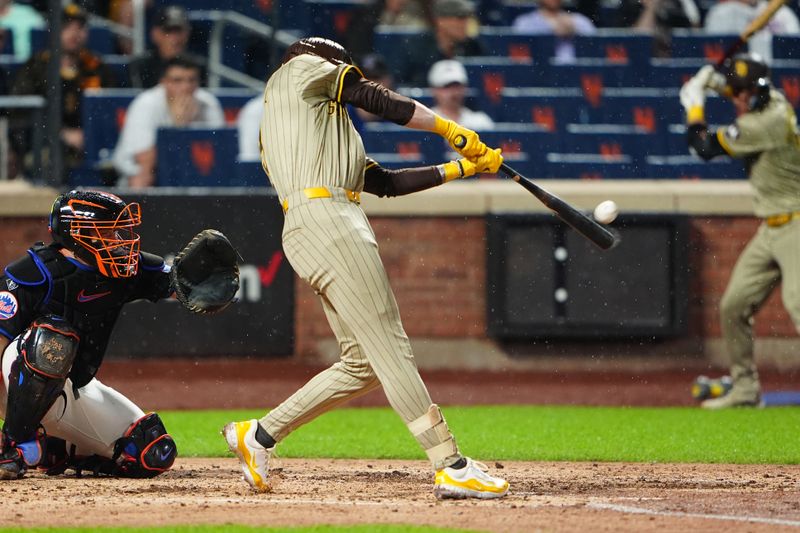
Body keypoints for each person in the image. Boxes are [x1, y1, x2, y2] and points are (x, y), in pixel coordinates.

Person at [222, 37, 508, 500]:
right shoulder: (300, 70)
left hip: (317, 223)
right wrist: (448, 128)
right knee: (392, 346)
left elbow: (386, 184)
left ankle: (258, 435)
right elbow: (373, 96)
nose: (349, 78)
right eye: (345, 69)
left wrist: (462, 169)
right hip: (329, 221)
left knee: (363, 363)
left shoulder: (314, 122)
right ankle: (449, 463)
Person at [0, 190, 178, 479]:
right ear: (79, 235)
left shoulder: (123, 269)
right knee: (52, 339)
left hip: (71, 388)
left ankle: (52, 448)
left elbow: (178, 284)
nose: (119, 242)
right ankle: (13, 445)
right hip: (12, 384)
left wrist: (201, 281)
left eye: (119, 232)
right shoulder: (31, 272)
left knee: (151, 452)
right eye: (108, 233)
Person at [679, 53, 800, 408]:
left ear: (757, 92)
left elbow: (702, 147)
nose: (739, 100)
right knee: (734, 306)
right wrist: (712, 80)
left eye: (743, 94)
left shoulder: (765, 124)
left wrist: (695, 105)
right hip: (771, 228)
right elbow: (743, 90)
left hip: (795, 224)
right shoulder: (773, 100)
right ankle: (745, 389)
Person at [10, 3, 116, 173]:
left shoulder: (97, 67)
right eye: (67, 27)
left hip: (92, 145)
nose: (74, 34)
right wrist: (60, 133)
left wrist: (88, 134)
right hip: (45, 146)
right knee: (51, 160)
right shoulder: (36, 67)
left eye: (80, 27)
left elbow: (110, 112)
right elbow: (20, 114)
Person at [112, 55, 224, 188]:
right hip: (142, 171)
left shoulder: (208, 103)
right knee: (141, 178)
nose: (185, 87)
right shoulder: (146, 103)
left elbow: (220, 153)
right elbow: (144, 160)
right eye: (177, 81)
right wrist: (178, 127)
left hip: (194, 173)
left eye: (191, 80)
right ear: (164, 82)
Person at [395, 0, 484, 86]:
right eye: (460, 17)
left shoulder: (473, 47)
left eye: (468, 17)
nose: (465, 23)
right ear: (440, 20)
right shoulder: (414, 47)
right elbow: (401, 84)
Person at [128, 5, 207, 89]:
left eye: (179, 31)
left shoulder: (198, 66)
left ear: (187, 33)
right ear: (155, 34)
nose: (175, 38)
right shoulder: (140, 66)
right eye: (168, 31)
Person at [704, 0, 799, 63]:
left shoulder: (782, 13)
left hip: (775, 76)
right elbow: (714, 50)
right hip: (737, 78)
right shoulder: (720, 13)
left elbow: (794, 48)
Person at [512, 0, 597, 63]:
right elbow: (519, 59)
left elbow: (597, 47)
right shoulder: (524, 22)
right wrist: (550, 31)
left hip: (575, 76)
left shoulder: (579, 20)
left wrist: (575, 31)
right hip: (539, 77)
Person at [429, 59, 494, 131]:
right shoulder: (425, 122)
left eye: (457, 86)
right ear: (434, 90)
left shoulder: (480, 122)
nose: (453, 92)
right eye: (446, 87)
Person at [618, 0, 700, 57]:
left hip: (672, 60)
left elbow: (692, 39)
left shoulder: (677, 4)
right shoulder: (630, 4)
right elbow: (638, 41)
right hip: (638, 62)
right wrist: (652, 7)